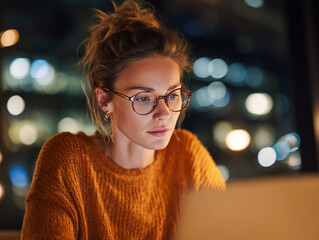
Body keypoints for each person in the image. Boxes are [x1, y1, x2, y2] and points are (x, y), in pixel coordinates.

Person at [21, 0, 225, 239]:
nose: (164, 113)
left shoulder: (188, 156)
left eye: (172, 95)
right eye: (143, 98)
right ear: (104, 100)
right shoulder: (69, 161)